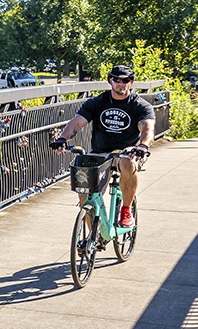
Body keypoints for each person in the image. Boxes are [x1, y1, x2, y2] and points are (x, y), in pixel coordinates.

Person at [50, 65, 155, 227]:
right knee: (85, 194)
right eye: (117, 80)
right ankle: (93, 238)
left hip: (128, 152)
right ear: (110, 81)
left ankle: (126, 209)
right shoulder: (97, 102)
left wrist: (142, 146)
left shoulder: (140, 105)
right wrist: (62, 139)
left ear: (131, 82)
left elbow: (147, 128)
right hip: (100, 153)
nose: (121, 84)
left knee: (127, 162)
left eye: (126, 80)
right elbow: (77, 123)